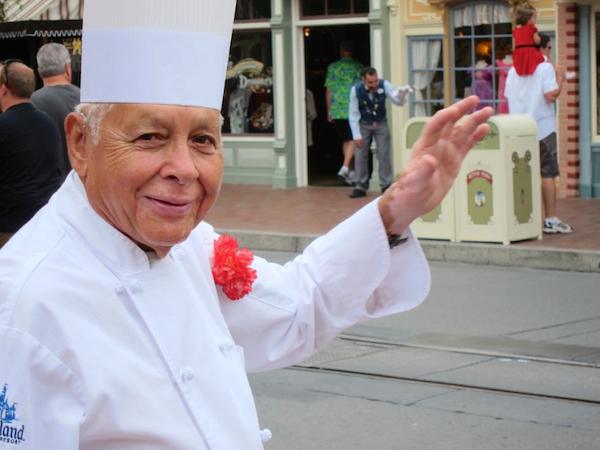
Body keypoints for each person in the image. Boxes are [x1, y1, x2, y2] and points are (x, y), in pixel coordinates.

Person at [0, 0, 492, 448]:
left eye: (203, 141)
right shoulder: (25, 304)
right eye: (150, 136)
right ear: (81, 143)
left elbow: (301, 304)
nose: (185, 169)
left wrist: (394, 211)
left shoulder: (193, 247)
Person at [505, 48, 573, 234]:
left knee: (522, 172)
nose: (550, 52)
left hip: (519, 128)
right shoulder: (544, 68)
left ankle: (523, 217)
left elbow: (508, 96)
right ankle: (550, 219)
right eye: (549, 47)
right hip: (543, 128)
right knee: (547, 173)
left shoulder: (513, 70)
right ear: (542, 49)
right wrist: (560, 78)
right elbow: (550, 95)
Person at [0, 59, 62, 249]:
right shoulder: (47, 122)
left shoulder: (4, 126)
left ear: (3, 89)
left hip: (11, 228)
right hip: (44, 223)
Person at [348, 66, 412, 198]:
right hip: (363, 124)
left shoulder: (385, 85)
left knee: (384, 153)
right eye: (371, 82)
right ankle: (360, 186)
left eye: (376, 81)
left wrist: (401, 95)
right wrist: (356, 135)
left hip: (381, 123)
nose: (374, 84)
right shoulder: (356, 90)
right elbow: (353, 114)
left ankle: (386, 185)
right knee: (360, 154)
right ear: (363, 80)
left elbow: (397, 101)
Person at [31, 42, 81, 180]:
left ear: (39, 71)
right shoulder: (85, 100)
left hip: (46, 187)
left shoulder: (30, 103)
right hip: (81, 184)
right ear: (67, 69)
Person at [324, 41, 362, 185]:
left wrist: (329, 109)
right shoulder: (358, 67)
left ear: (341, 51)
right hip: (353, 107)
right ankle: (348, 168)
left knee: (345, 140)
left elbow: (329, 90)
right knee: (352, 138)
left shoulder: (333, 67)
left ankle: (348, 169)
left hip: (337, 107)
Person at [512, 4, 544, 76]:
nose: (536, 20)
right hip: (530, 51)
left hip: (519, 52)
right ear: (528, 18)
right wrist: (539, 38)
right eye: (535, 18)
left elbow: (515, 43)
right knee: (541, 62)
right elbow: (537, 41)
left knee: (521, 65)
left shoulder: (516, 30)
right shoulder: (532, 28)